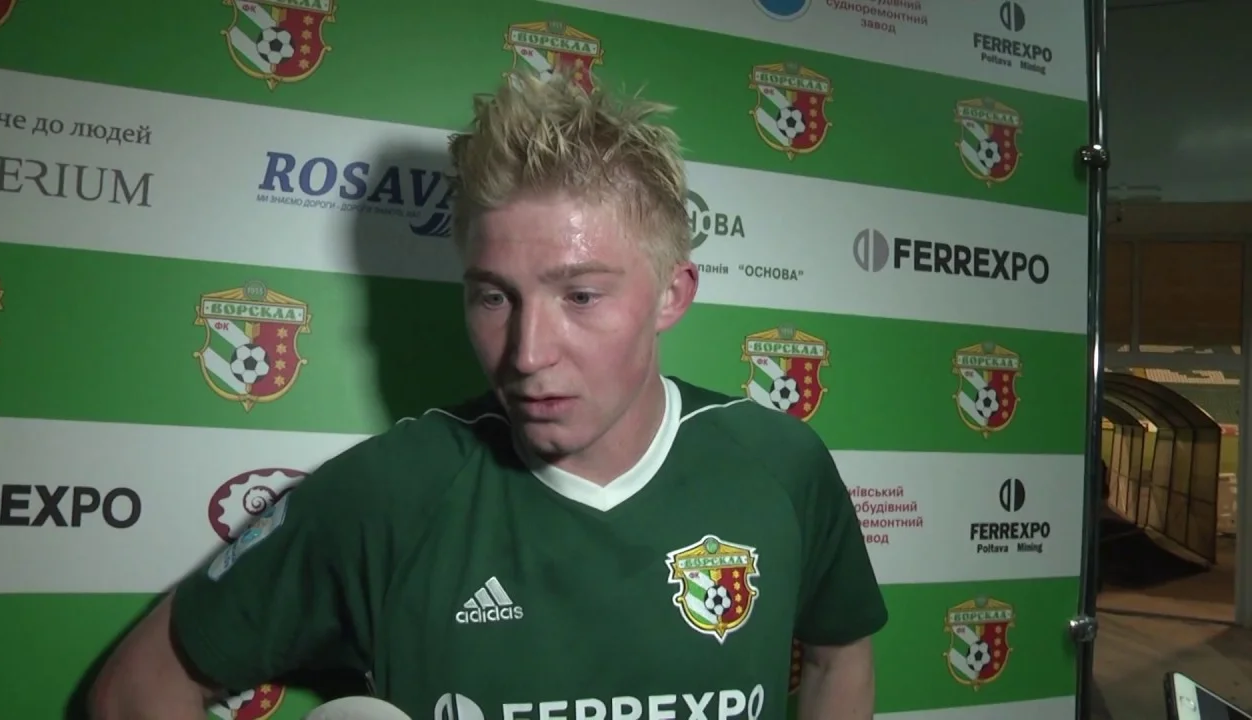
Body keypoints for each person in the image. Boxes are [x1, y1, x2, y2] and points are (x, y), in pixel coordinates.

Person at [88, 69, 887, 720]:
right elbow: (135, 690)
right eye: (494, 297)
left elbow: (839, 660)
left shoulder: (779, 464)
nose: (527, 353)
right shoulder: (392, 492)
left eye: (581, 296)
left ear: (672, 295)